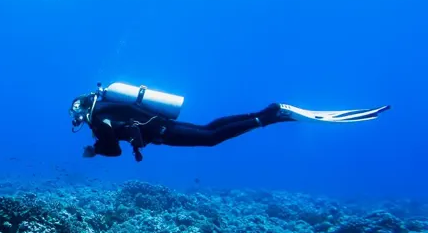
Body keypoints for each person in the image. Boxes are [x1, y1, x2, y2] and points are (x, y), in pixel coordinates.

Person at [69, 82, 391, 162]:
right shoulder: (106, 108)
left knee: (210, 137)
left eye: (77, 113)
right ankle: (269, 113)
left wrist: (94, 152)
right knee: (210, 128)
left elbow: (114, 149)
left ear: (84, 107)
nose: (78, 118)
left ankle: (270, 116)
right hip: (161, 127)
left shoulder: (99, 117)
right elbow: (118, 134)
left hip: (163, 132)